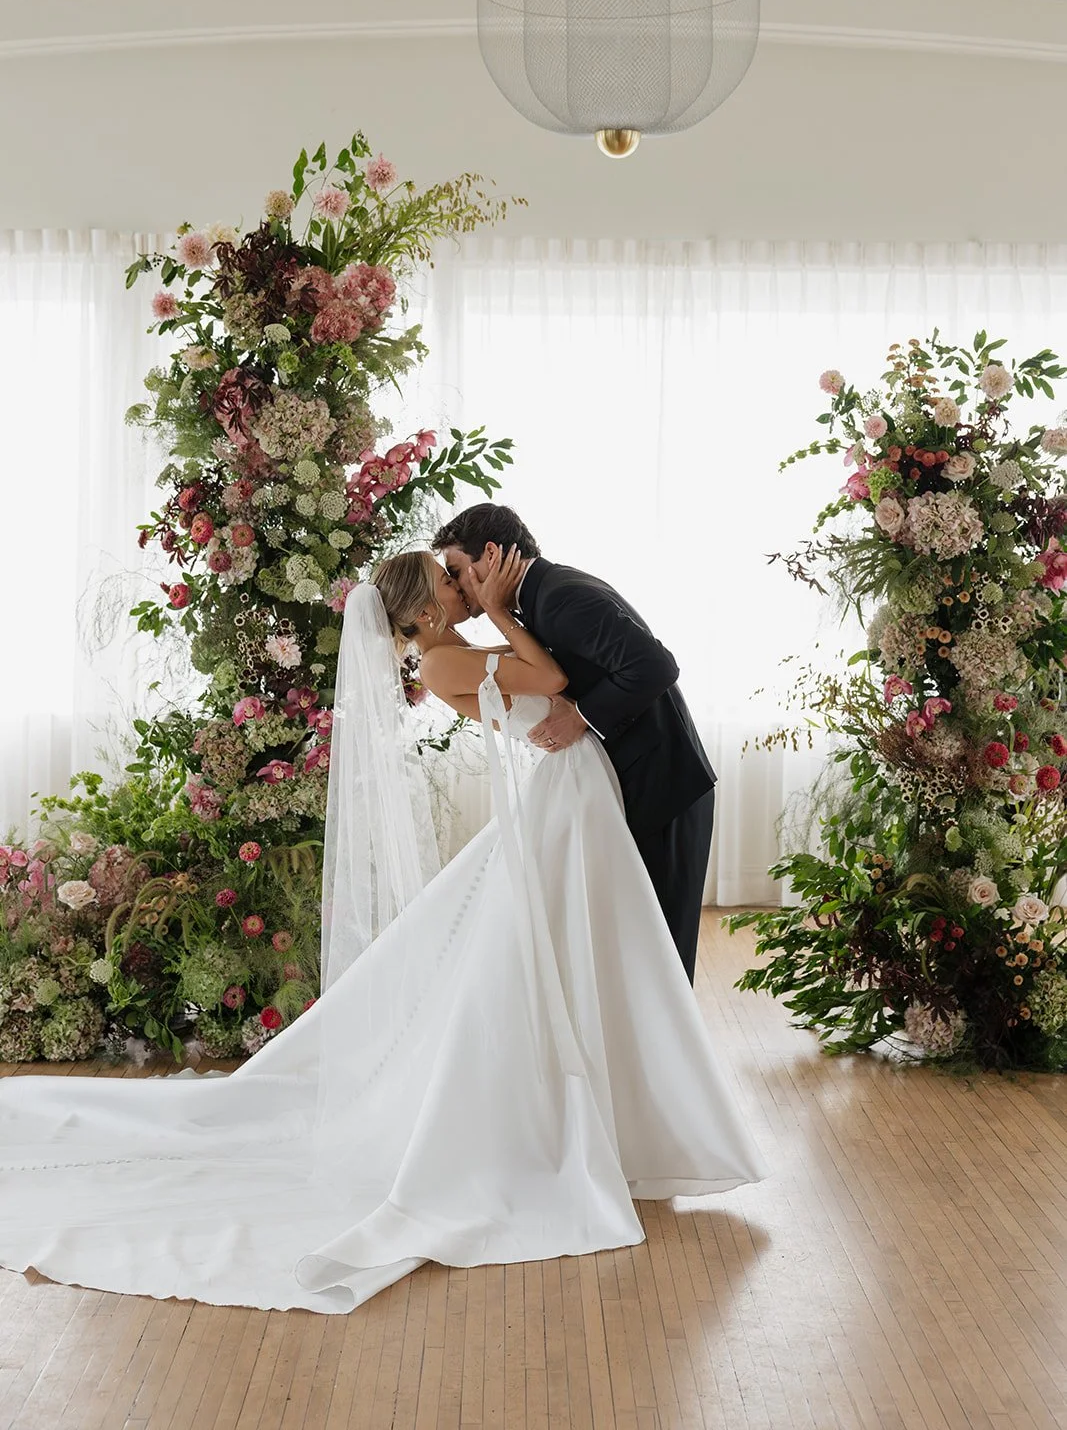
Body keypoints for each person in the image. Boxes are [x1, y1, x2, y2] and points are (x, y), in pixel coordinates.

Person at [0, 549, 763, 1314]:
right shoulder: (440, 666)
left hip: (577, 794)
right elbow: (555, 682)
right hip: (569, 797)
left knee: (591, 953)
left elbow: (554, 674)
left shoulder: (455, 650)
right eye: (448, 581)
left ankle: (619, 1113)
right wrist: (502, 612)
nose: (460, 586)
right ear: (424, 610)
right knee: (561, 956)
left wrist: (505, 619)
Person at [434, 504, 716, 983]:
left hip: (665, 785)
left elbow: (656, 665)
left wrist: (581, 717)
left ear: (490, 554)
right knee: (639, 945)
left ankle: (672, 1056)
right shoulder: (542, 596)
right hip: (639, 782)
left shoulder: (560, 598)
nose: (458, 585)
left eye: (458, 571)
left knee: (662, 948)